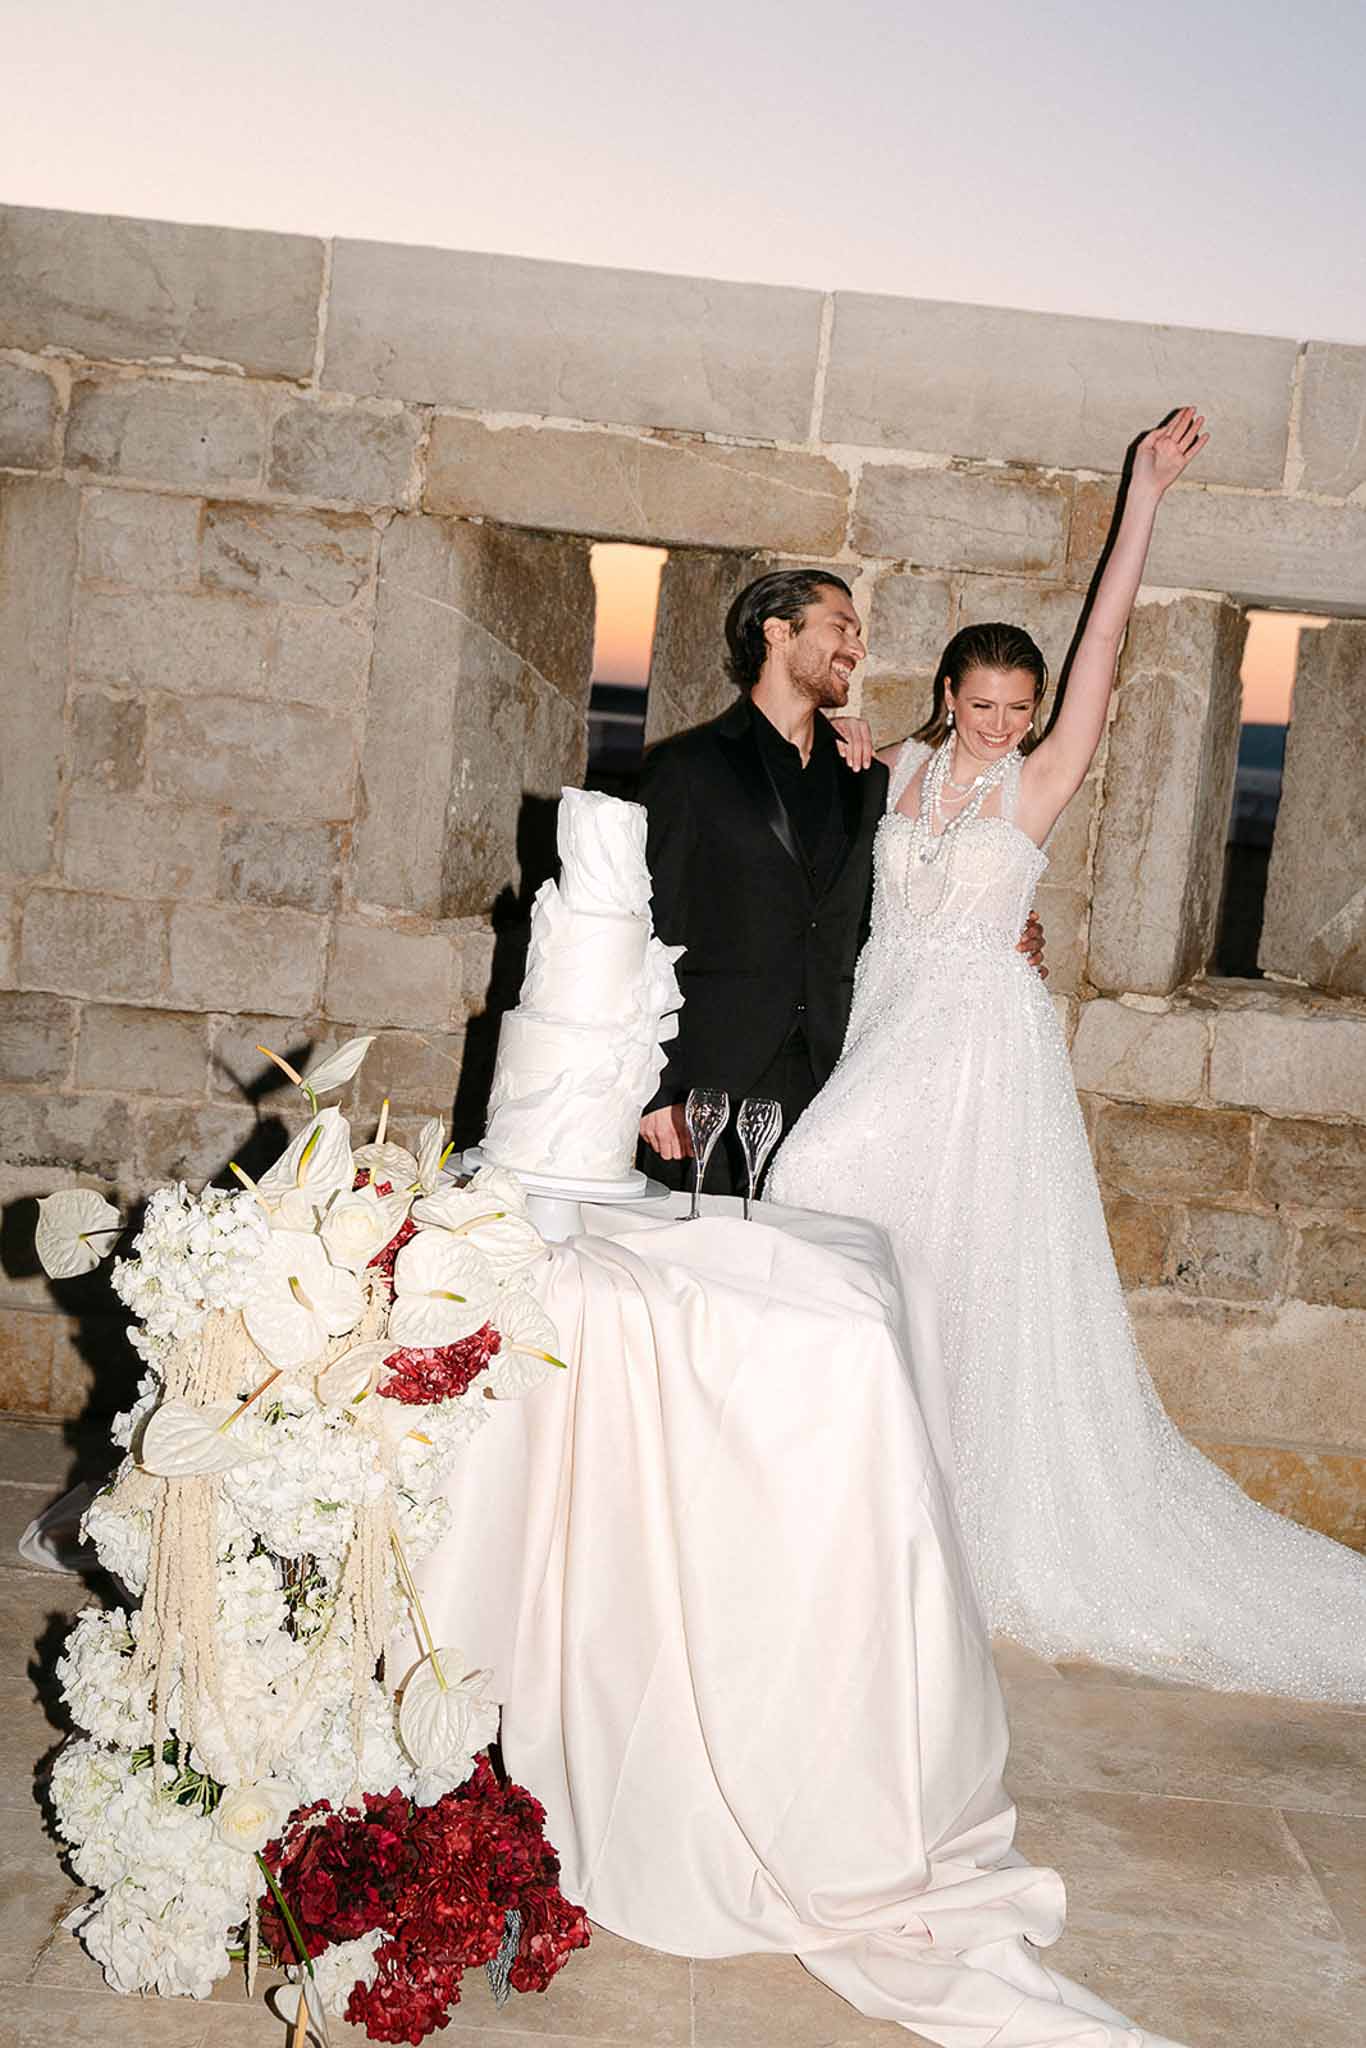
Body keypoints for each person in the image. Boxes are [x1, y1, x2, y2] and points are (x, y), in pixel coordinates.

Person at [769, 408, 1366, 1702]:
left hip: (978, 1050)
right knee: (868, 1239)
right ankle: (857, 1498)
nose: (999, 726)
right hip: (889, 1027)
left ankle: (941, 1519)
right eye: (981, 705)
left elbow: (1104, 640)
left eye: (1018, 710)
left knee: (881, 1228)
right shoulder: (890, 768)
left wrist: (1141, 493)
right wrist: (848, 743)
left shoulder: (1035, 782)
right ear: (947, 696)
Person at [637, 569, 1042, 1193]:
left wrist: (1013, 928)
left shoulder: (866, 778)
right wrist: (656, 1087)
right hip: (705, 1092)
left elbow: (899, 905)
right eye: (841, 628)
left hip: (830, 1091)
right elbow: (645, 932)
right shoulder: (686, 768)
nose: (857, 646)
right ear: (778, 632)